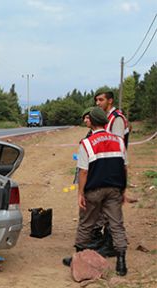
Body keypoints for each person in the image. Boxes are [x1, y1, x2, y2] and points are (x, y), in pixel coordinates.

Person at [63, 107, 128, 276]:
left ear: (91, 121)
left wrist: (80, 193)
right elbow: (124, 167)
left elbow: (83, 171)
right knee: (117, 224)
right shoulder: (119, 141)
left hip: (94, 189)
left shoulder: (87, 142)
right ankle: (121, 262)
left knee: (86, 224)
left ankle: (77, 258)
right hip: (114, 189)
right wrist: (123, 190)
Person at [92, 90, 131, 257]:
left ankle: (111, 245)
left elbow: (116, 146)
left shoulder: (116, 119)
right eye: (96, 100)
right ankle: (105, 241)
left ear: (110, 100)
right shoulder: (108, 119)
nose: (98, 103)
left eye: (101, 100)